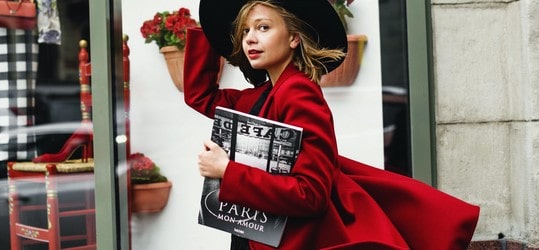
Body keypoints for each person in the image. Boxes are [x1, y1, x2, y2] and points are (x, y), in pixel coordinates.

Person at [183, 0, 480, 249]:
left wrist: (227, 171)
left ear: (293, 37)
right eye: (245, 30)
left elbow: (311, 193)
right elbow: (200, 96)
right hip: (252, 235)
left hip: (288, 241)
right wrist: (210, 31)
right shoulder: (260, 96)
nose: (250, 38)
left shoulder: (299, 94)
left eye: (263, 27)